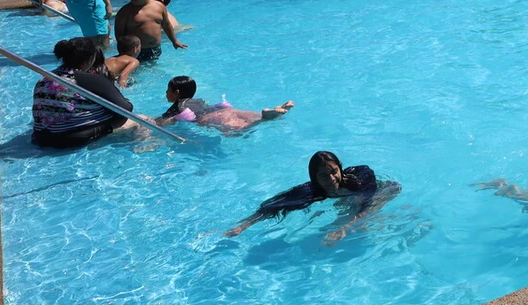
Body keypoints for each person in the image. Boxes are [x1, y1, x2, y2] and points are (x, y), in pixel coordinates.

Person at [225, 150, 400, 242]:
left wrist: (344, 228)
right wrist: (243, 226)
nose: (331, 179)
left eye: (334, 172)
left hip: (381, 192)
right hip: (349, 199)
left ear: (340, 168)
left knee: (365, 222)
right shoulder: (309, 192)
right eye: (324, 176)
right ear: (314, 179)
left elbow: (369, 204)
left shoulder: (359, 177)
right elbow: (272, 207)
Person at [32, 37, 139, 148]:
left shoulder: (44, 78)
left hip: (40, 137)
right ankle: (145, 147)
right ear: (90, 59)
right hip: (71, 138)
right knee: (141, 120)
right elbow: (125, 109)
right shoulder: (88, 79)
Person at [157, 75, 294, 132]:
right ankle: (268, 113)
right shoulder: (198, 101)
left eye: (168, 90)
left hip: (210, 118)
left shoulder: (178, 106)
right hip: (223, 111)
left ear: (177, 92)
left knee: (241, 129)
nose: (166, 93)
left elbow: (161, 123)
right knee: (248, 117)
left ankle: (264, 118)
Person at [114, 0, 186, 62]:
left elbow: (166, 25)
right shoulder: (125, 12)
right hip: (135, 51)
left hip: (156, 48)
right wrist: (124, 52)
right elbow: (119, 34)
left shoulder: (159, 7)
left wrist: (174, 41)